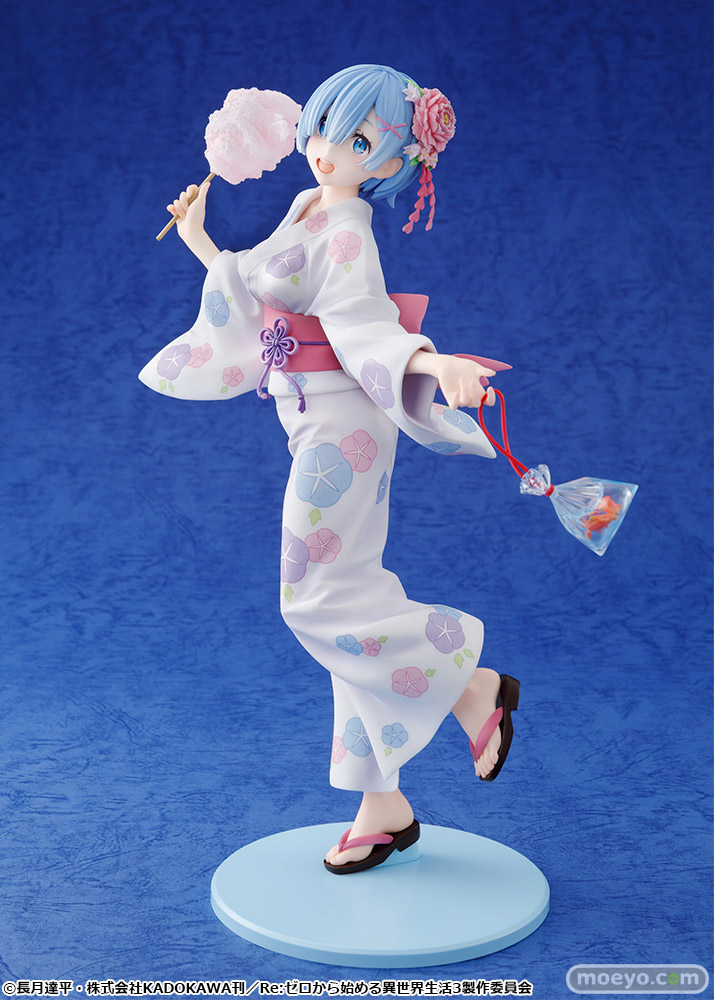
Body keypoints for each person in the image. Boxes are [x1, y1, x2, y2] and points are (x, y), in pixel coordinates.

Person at [139, 63, 519, 875]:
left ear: (392, 162)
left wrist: (433, 362)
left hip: (343, 430)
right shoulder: (310, 206)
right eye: (321, 128)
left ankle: (467, 683)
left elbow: (364, 324)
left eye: (357, 141)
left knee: (313, 598)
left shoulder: (348, 230)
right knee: (351, 598)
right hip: (310, 422)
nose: (328, 149)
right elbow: (254, 284)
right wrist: (201, 236)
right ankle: (381, 803)